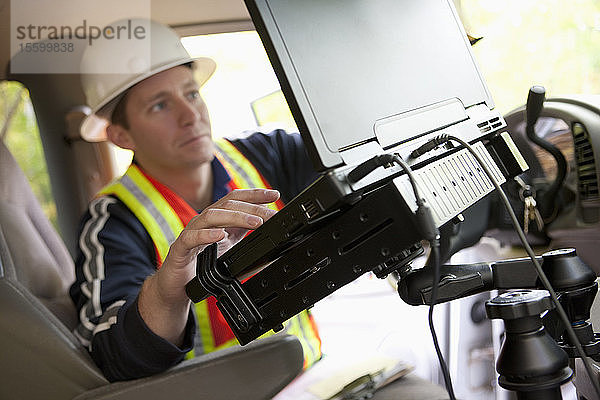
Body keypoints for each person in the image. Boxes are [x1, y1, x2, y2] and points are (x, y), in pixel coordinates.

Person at [69, 18, 321, 382]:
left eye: (191, 94)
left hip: (316, 376)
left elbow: (354, 171)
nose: (190, 116)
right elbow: (113, 355)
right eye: (159, 106)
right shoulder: (111, 222)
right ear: (121, 136)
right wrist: (167, 293)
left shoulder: (270, 153)